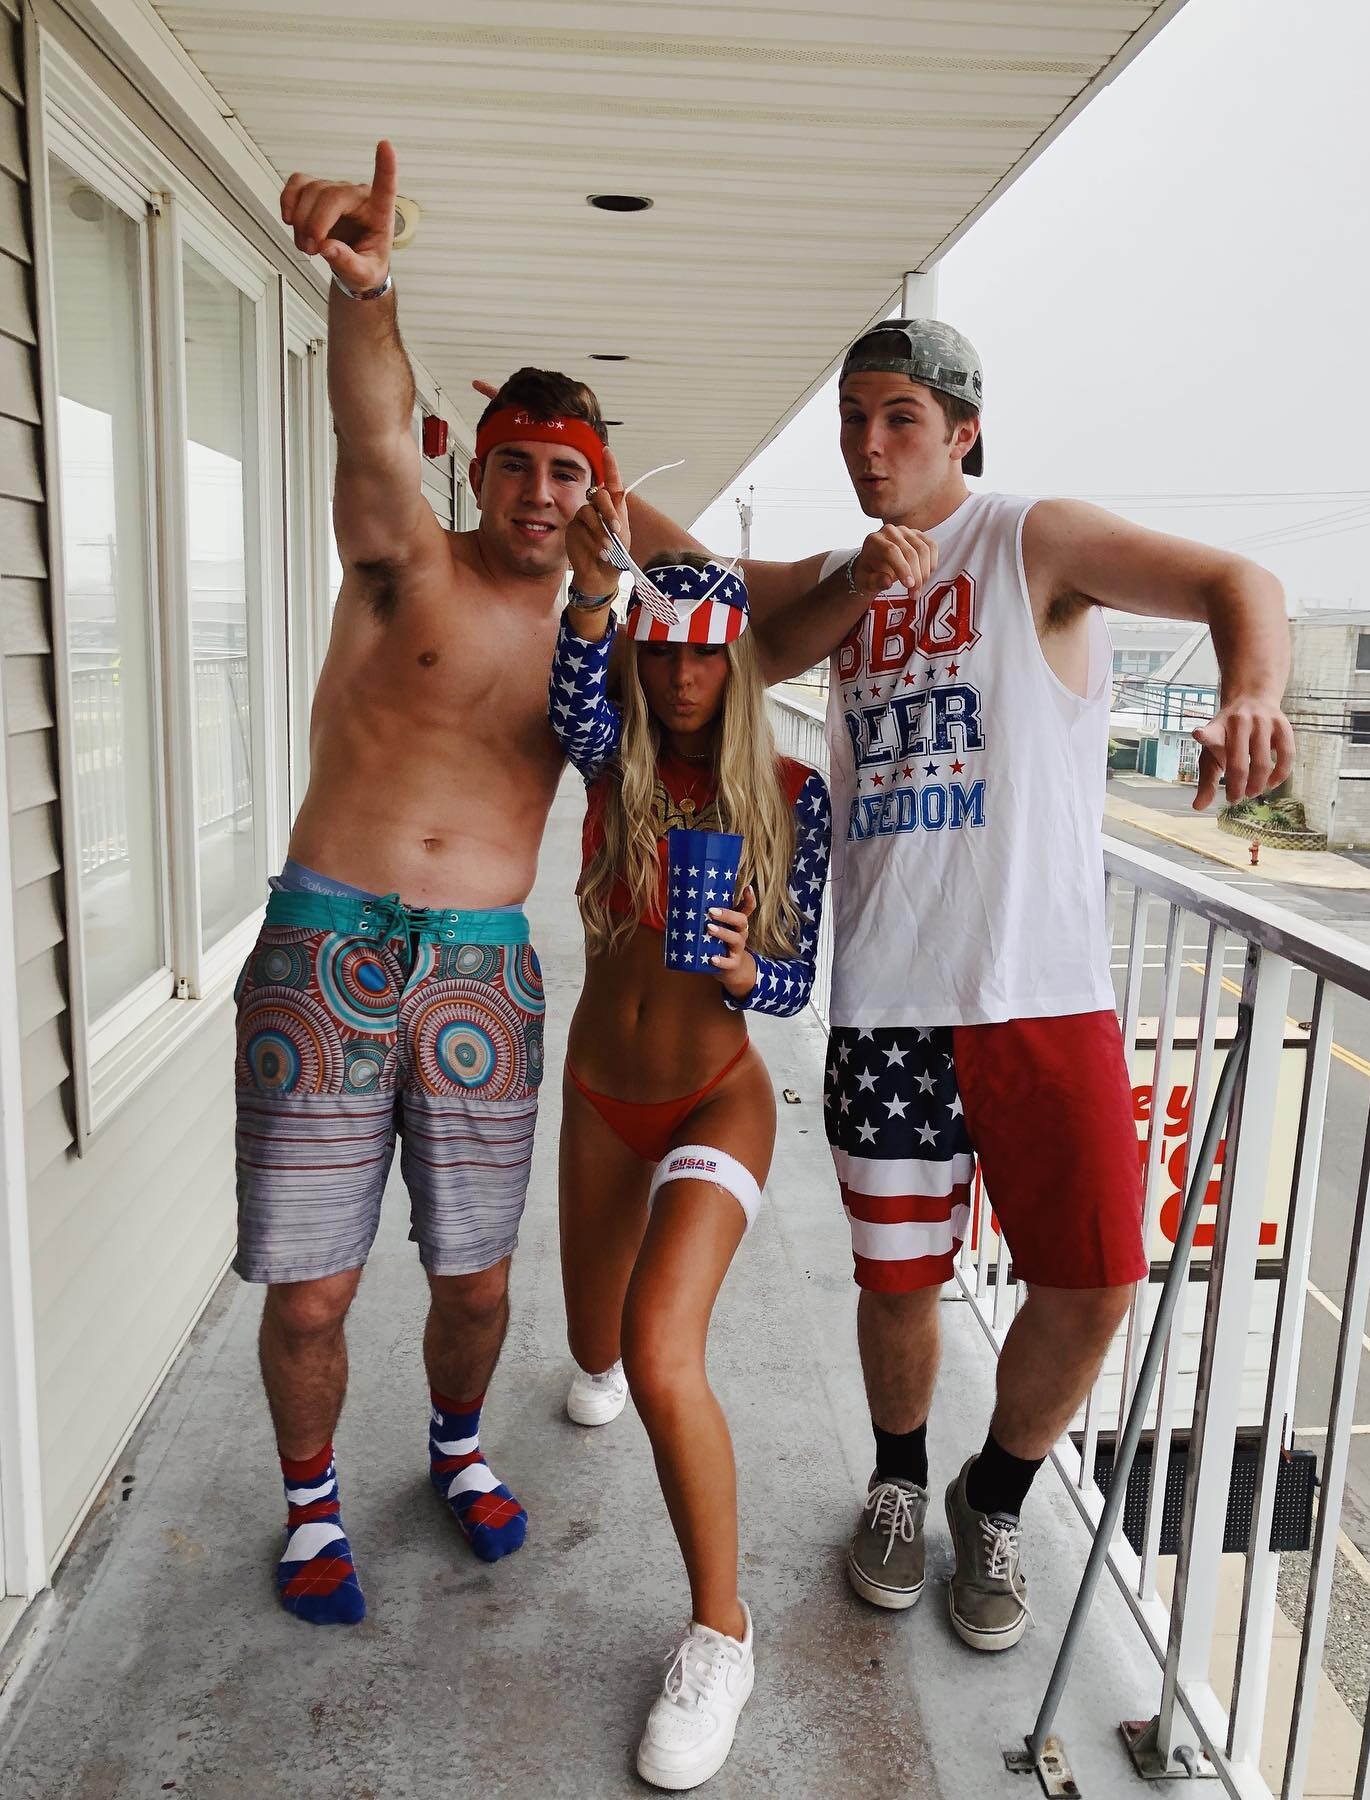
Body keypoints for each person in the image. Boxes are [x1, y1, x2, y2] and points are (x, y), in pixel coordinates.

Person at [634, 318, 1293, 1651]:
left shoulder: (1031, 540)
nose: (869, 445)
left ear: (963, 432)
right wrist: (598, 482)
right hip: (887, 998)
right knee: (898, 1280)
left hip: (1041, 990)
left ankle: (993, 1498)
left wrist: (1251, 692)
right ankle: (897, 1481)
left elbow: (1238, 578)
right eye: (853, 419)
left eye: (901, 419)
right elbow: (711, 580)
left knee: (1095, 1277)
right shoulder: (841, 578)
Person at [235, 140, 620, 1624]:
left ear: (595, 492)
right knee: (314, 1286)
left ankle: (457, 1452)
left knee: (476, 1277)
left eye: (566, 470)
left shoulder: (597, 636)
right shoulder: (406, 559)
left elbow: (751, 629)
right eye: (515, 461)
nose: (536, 489)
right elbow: (371, 428)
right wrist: (369, 291)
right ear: (480, 465)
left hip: (481, 967)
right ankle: (311, 1509)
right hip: (326, 947)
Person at [547, 473, 830, 1789]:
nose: (678, 680)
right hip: (600, 1095)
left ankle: (723, 1633)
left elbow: (798, 979)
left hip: (718, 1095)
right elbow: (572, 700)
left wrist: (745, 972)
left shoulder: (790, 790)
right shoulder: (614, 757)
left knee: (665, 1358)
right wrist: (594, 590)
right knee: (595, 1354)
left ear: (738, 661)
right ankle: (596, 1355)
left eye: (703, 657)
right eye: (658, 656)